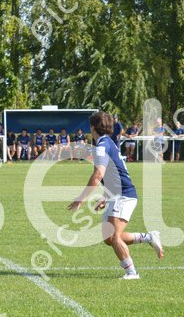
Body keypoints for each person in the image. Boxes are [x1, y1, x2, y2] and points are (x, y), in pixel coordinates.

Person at [68, 112, 163, 280]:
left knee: (114, 236)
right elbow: (112, 174)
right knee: (108, 238)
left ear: (93, 127)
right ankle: (149, 237)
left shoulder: (102, 145)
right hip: (117, 194)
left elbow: (99, 174)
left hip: (123, 195)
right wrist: (106, 196)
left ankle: (131, 273)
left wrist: (81, 198)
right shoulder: (106, 143)